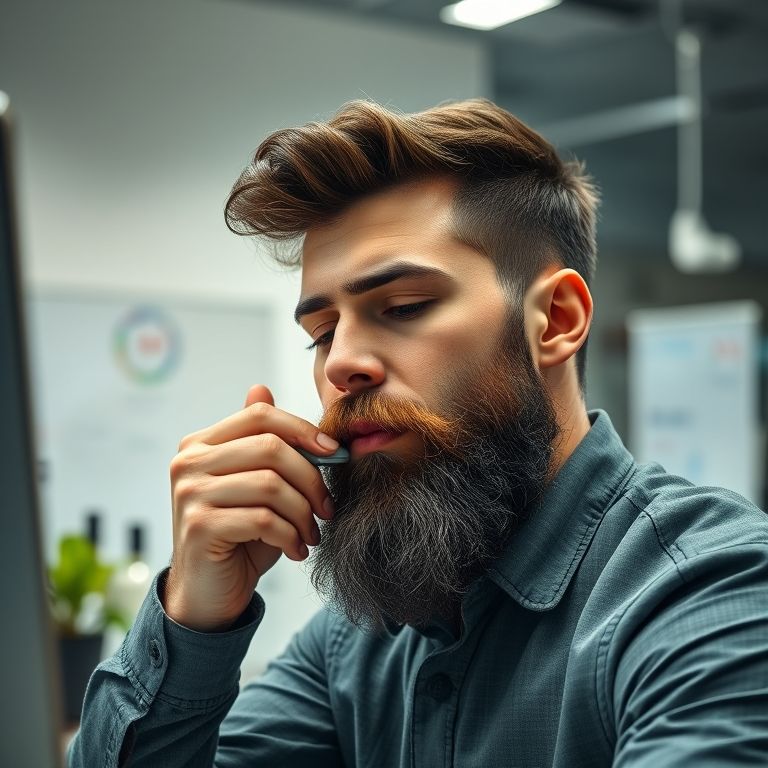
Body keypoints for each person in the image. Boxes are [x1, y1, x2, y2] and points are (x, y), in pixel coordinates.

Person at [69, 99, 768, 767]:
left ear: (554, 322)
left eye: (402, 307)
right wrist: (196, 619)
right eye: (322, 332)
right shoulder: (358, 641)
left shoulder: (712, 592)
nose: (341, 362)